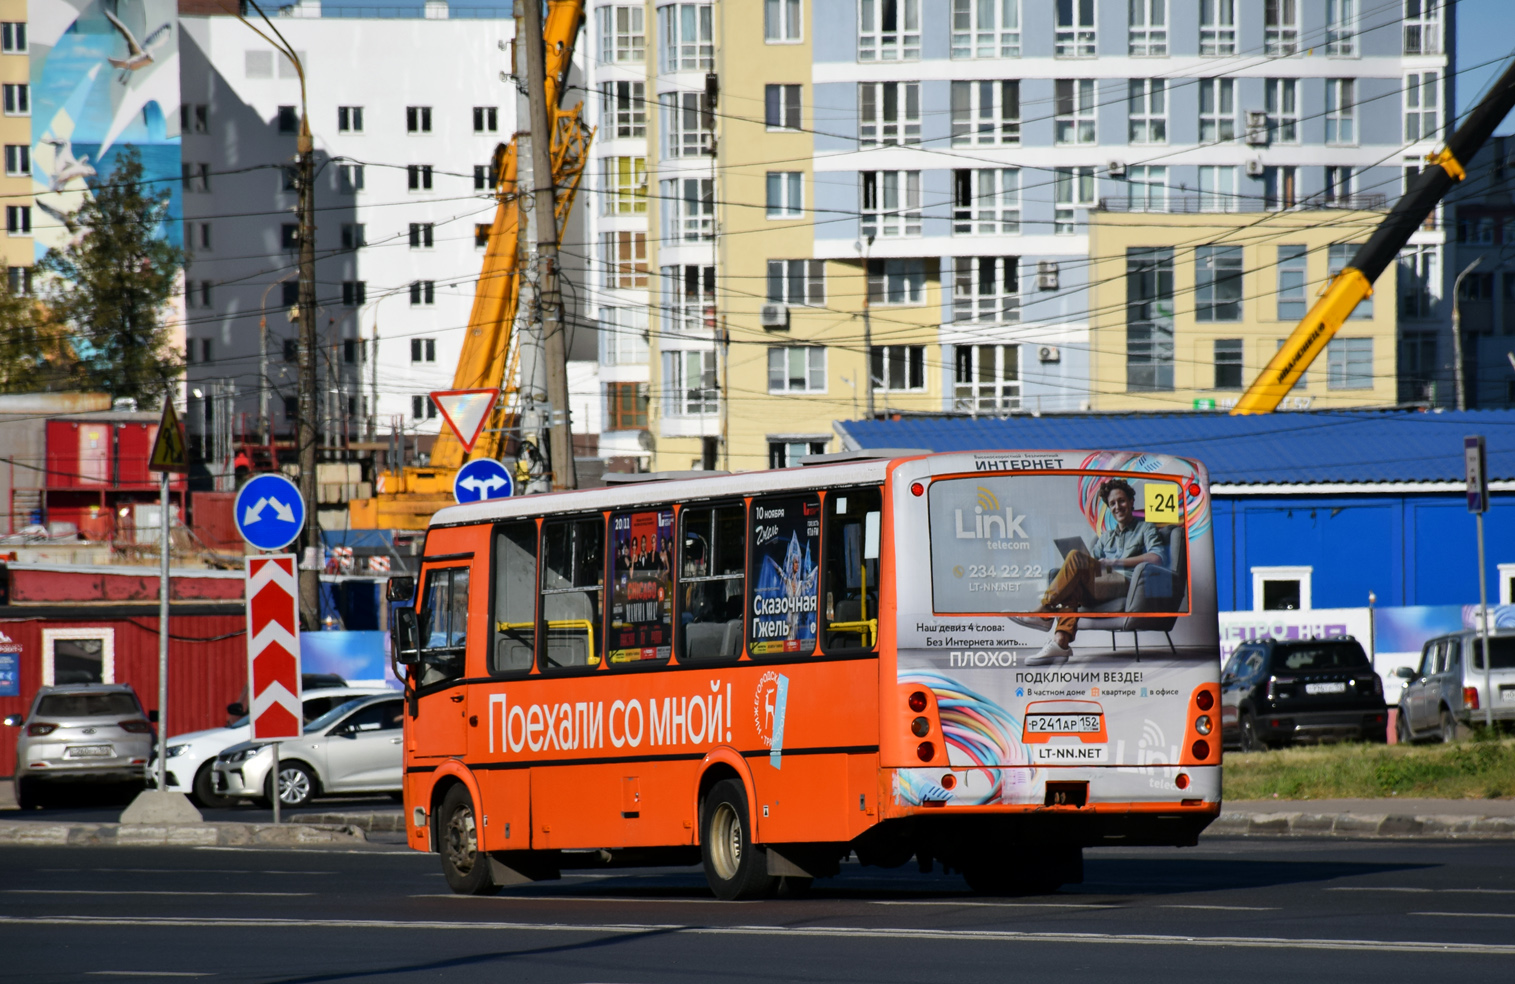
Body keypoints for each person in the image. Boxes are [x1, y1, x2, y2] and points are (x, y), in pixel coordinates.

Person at [1029, 478, 1164, 666]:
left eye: (1122, 500)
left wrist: (1116, 561)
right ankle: (1060, 641)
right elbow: (1088, 567)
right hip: (1101, 584)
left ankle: (1044, 611)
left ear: (1132, 501)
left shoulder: (1145, 528)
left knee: (1075, 556)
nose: (1118, 506)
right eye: (1113, 503)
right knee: (1074, 582)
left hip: (1127, 583)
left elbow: (1156, 557)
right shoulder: (1105, 537)